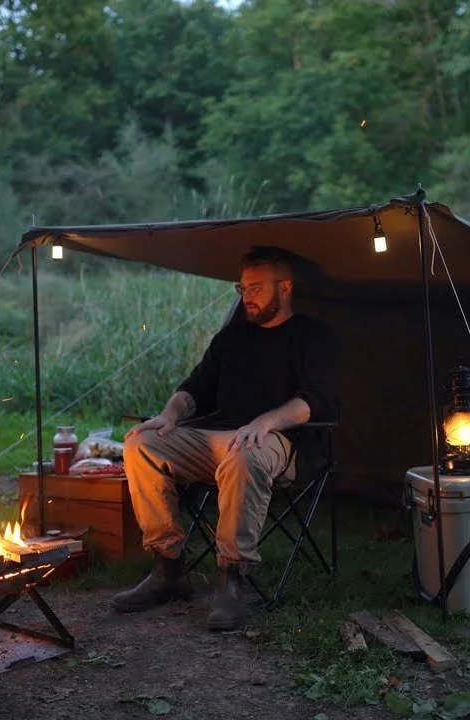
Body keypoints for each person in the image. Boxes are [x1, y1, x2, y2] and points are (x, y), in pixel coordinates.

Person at [113, 247, 338, 631]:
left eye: (255, 288)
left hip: (281, 443)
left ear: (284, 288)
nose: (245, 296)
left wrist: (266, 422)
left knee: (243, 451)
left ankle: (231, 578)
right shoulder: (232, 338)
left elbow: (314, 401)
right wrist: (168, 415)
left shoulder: (311, 336)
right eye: (242, 287)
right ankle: (168, 567)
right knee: (140, 445)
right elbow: (195, 388)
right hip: (217, 438)